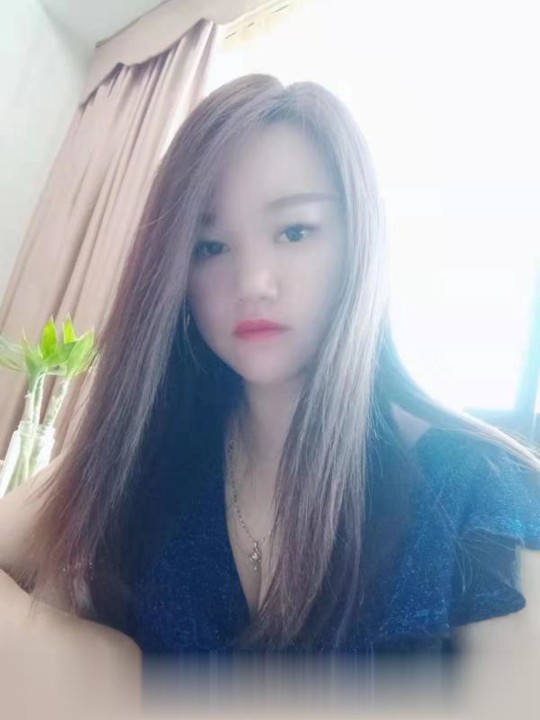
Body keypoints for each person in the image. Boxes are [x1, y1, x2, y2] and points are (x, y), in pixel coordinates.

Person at [2, 74, 540, 711]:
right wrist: (103, 665)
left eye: (295, 232)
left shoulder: (484, 489)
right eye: (209, 246)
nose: (252, 281)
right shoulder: (148, 457)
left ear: (360, 243)